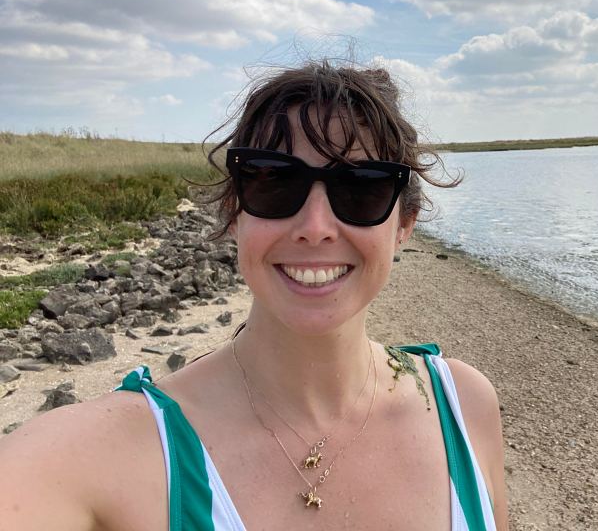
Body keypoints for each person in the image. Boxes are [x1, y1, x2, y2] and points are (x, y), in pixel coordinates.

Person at [0, 60, 508, 530]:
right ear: (235, 214)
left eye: (362, 187)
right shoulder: (101, 456)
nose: (315, 228)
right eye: (274, 182)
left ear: (404, 225)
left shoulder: (464, 405)